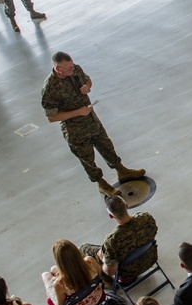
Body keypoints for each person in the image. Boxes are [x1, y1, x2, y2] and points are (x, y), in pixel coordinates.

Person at [41, 51, 146, 196]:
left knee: (106, 146)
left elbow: (87, 80)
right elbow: (51, 117)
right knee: (87, 158)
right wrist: (78, 112)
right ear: (58, 69)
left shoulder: (75, 69)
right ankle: (102, 184)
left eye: (72, 65)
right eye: (69, 68)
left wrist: (87, 87)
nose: (73, 69)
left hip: (91, 120)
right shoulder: (50, 88)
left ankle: (121, 171)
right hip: (75, 130)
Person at [81, 195, 158, 282]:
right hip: (151, 259)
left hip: (128, 274)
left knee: (84, 248)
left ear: (111, 216)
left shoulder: (111, 242)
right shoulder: (146, 219)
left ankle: (108, 282)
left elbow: (110, 272)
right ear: (126, 206)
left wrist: (103, 260)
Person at [41, 239, 104, 305]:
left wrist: (57, 280)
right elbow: (99, 275)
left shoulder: (60, 284)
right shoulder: (90, 261)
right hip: (97, 295)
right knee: (54, 269)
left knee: (45, 275)